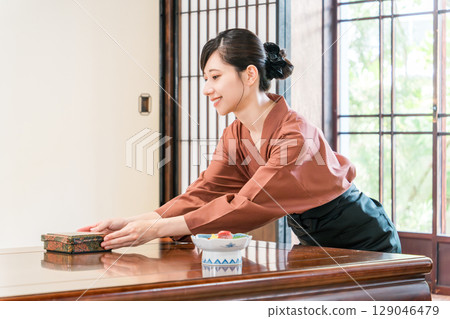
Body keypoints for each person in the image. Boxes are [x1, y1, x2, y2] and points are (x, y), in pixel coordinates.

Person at [78, 28, 401, 253]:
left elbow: (245, 205)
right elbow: (203, 193)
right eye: (206, 79)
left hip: (367, 241)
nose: (207, 89)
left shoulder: (295, 135)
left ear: (249, 75)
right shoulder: (236, 132)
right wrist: (135, 221)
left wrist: (155, 231)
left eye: (215, 77)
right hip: (317, 244)